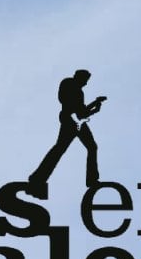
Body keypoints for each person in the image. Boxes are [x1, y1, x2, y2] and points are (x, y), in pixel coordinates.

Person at [26, 68, 104, 197]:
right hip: (70, 120)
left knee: (87, 147)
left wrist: (95, 106)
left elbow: (82, 112)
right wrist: (90, 108)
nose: (86, 84)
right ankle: (38, 178)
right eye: (85, 80)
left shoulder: (79, 91)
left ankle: (91, 180)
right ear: (79, 77)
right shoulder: (69, 84)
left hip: (76, 121)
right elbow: (70, 105)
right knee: (60, 149)